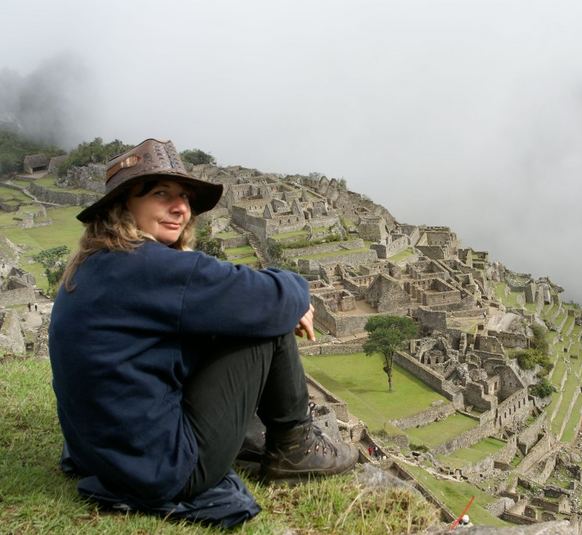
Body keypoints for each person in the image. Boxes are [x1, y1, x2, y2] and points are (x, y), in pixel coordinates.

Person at [49, 139, 358, 527]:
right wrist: (295, 300)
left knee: (239, 313)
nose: (180, 208)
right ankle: (294, 447)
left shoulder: (96, 263)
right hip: (164, 469)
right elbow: (275, 296)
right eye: (162, 195)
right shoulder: (150, 266)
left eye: (184, 198)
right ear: (124, 204)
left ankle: (259, 436)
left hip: (103, 453)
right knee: (264, 320)